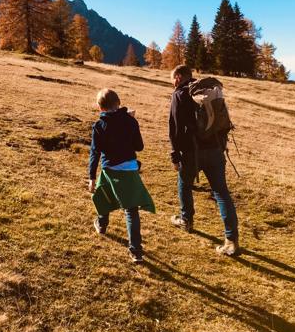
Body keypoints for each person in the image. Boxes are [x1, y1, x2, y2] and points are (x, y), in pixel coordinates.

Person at [168, 65, 240, 256]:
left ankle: (186, 220)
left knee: (184, 184)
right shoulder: (207, 91)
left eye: (173, 78)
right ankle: (231, 240)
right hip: (215, 149)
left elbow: (174, 128)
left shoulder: (179, 94)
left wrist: (175, 155)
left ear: (178, 77)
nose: (172, 82)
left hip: (192, 152)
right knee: (221, 193)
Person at [88, 88, 155, 263]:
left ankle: (102, 224)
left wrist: (91, 177)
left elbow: (95, 153)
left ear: (99, 107)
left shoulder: (99, 126)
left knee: (103, 194)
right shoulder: (130, 121)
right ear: (118, 103)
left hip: (109, 169)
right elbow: (139, 147)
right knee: (131, 210)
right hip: (129, 169)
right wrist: (131, 124)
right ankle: (136, 252)